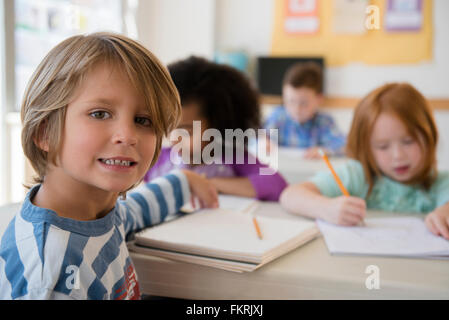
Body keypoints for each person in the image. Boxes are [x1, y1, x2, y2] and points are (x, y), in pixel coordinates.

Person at [0, 33, 218, 300]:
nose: (127, 135)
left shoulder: (97, 212)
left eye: (143, 120)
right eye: (99, 114)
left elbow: (134, 211)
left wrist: (184, 181)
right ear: (45, 132)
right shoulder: (50, 276)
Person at [280, 83, 449, 239]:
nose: (398, 155)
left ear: (429, 136)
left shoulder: (439, 183)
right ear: (366, 148)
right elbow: (290, 195)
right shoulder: (357, 175)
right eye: (382, 146)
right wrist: (325, 208)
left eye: (408, 141)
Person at [144, 56, 287, 201]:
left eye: (186, 132)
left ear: (218, 127)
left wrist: (207, 183)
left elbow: (276, 184)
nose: (175, 139)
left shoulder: (233, 158)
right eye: (169, 128)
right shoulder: (157, 159)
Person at [263, 62, 346, 158]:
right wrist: (263, 142)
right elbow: (257, 136)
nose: (297, 109)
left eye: (304, 103)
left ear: (319, 99)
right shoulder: (278, 117)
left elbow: (344, 145)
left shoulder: (324, 122)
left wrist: (325, 151)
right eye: (291, 101)